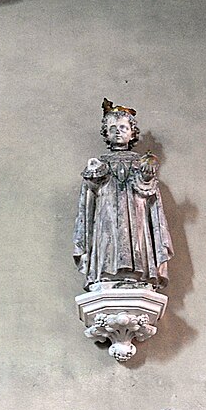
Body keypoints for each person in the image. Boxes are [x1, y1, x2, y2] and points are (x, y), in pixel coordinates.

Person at [73, 100, 173, 290]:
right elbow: (88, 200)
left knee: (138, 240)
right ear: (106, 133)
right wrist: (93, 177)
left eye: (123, 127)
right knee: (107, 238)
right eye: (112, 128)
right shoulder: (99, 164)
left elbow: (150, 198)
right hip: (107, 216)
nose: (118, 131)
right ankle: (104, 275)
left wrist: (146, 176)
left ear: (132, 132)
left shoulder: (139, 163)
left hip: (136, 216)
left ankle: (139, 276)